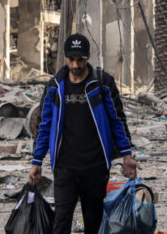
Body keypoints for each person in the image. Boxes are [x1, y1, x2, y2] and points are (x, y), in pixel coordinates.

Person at [29, 34, 139, 234]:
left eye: (80, 59)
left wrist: (127, 155)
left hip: (95, 165)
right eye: (71, 59)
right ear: (65, 58)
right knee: (61, 222)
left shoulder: (102, 82)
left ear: (88, 56)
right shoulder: (54, 86)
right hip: (64, 166)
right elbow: (44, 125)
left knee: (94, 221)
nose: (76, 64)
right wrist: (37, 161)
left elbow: (117, 120)